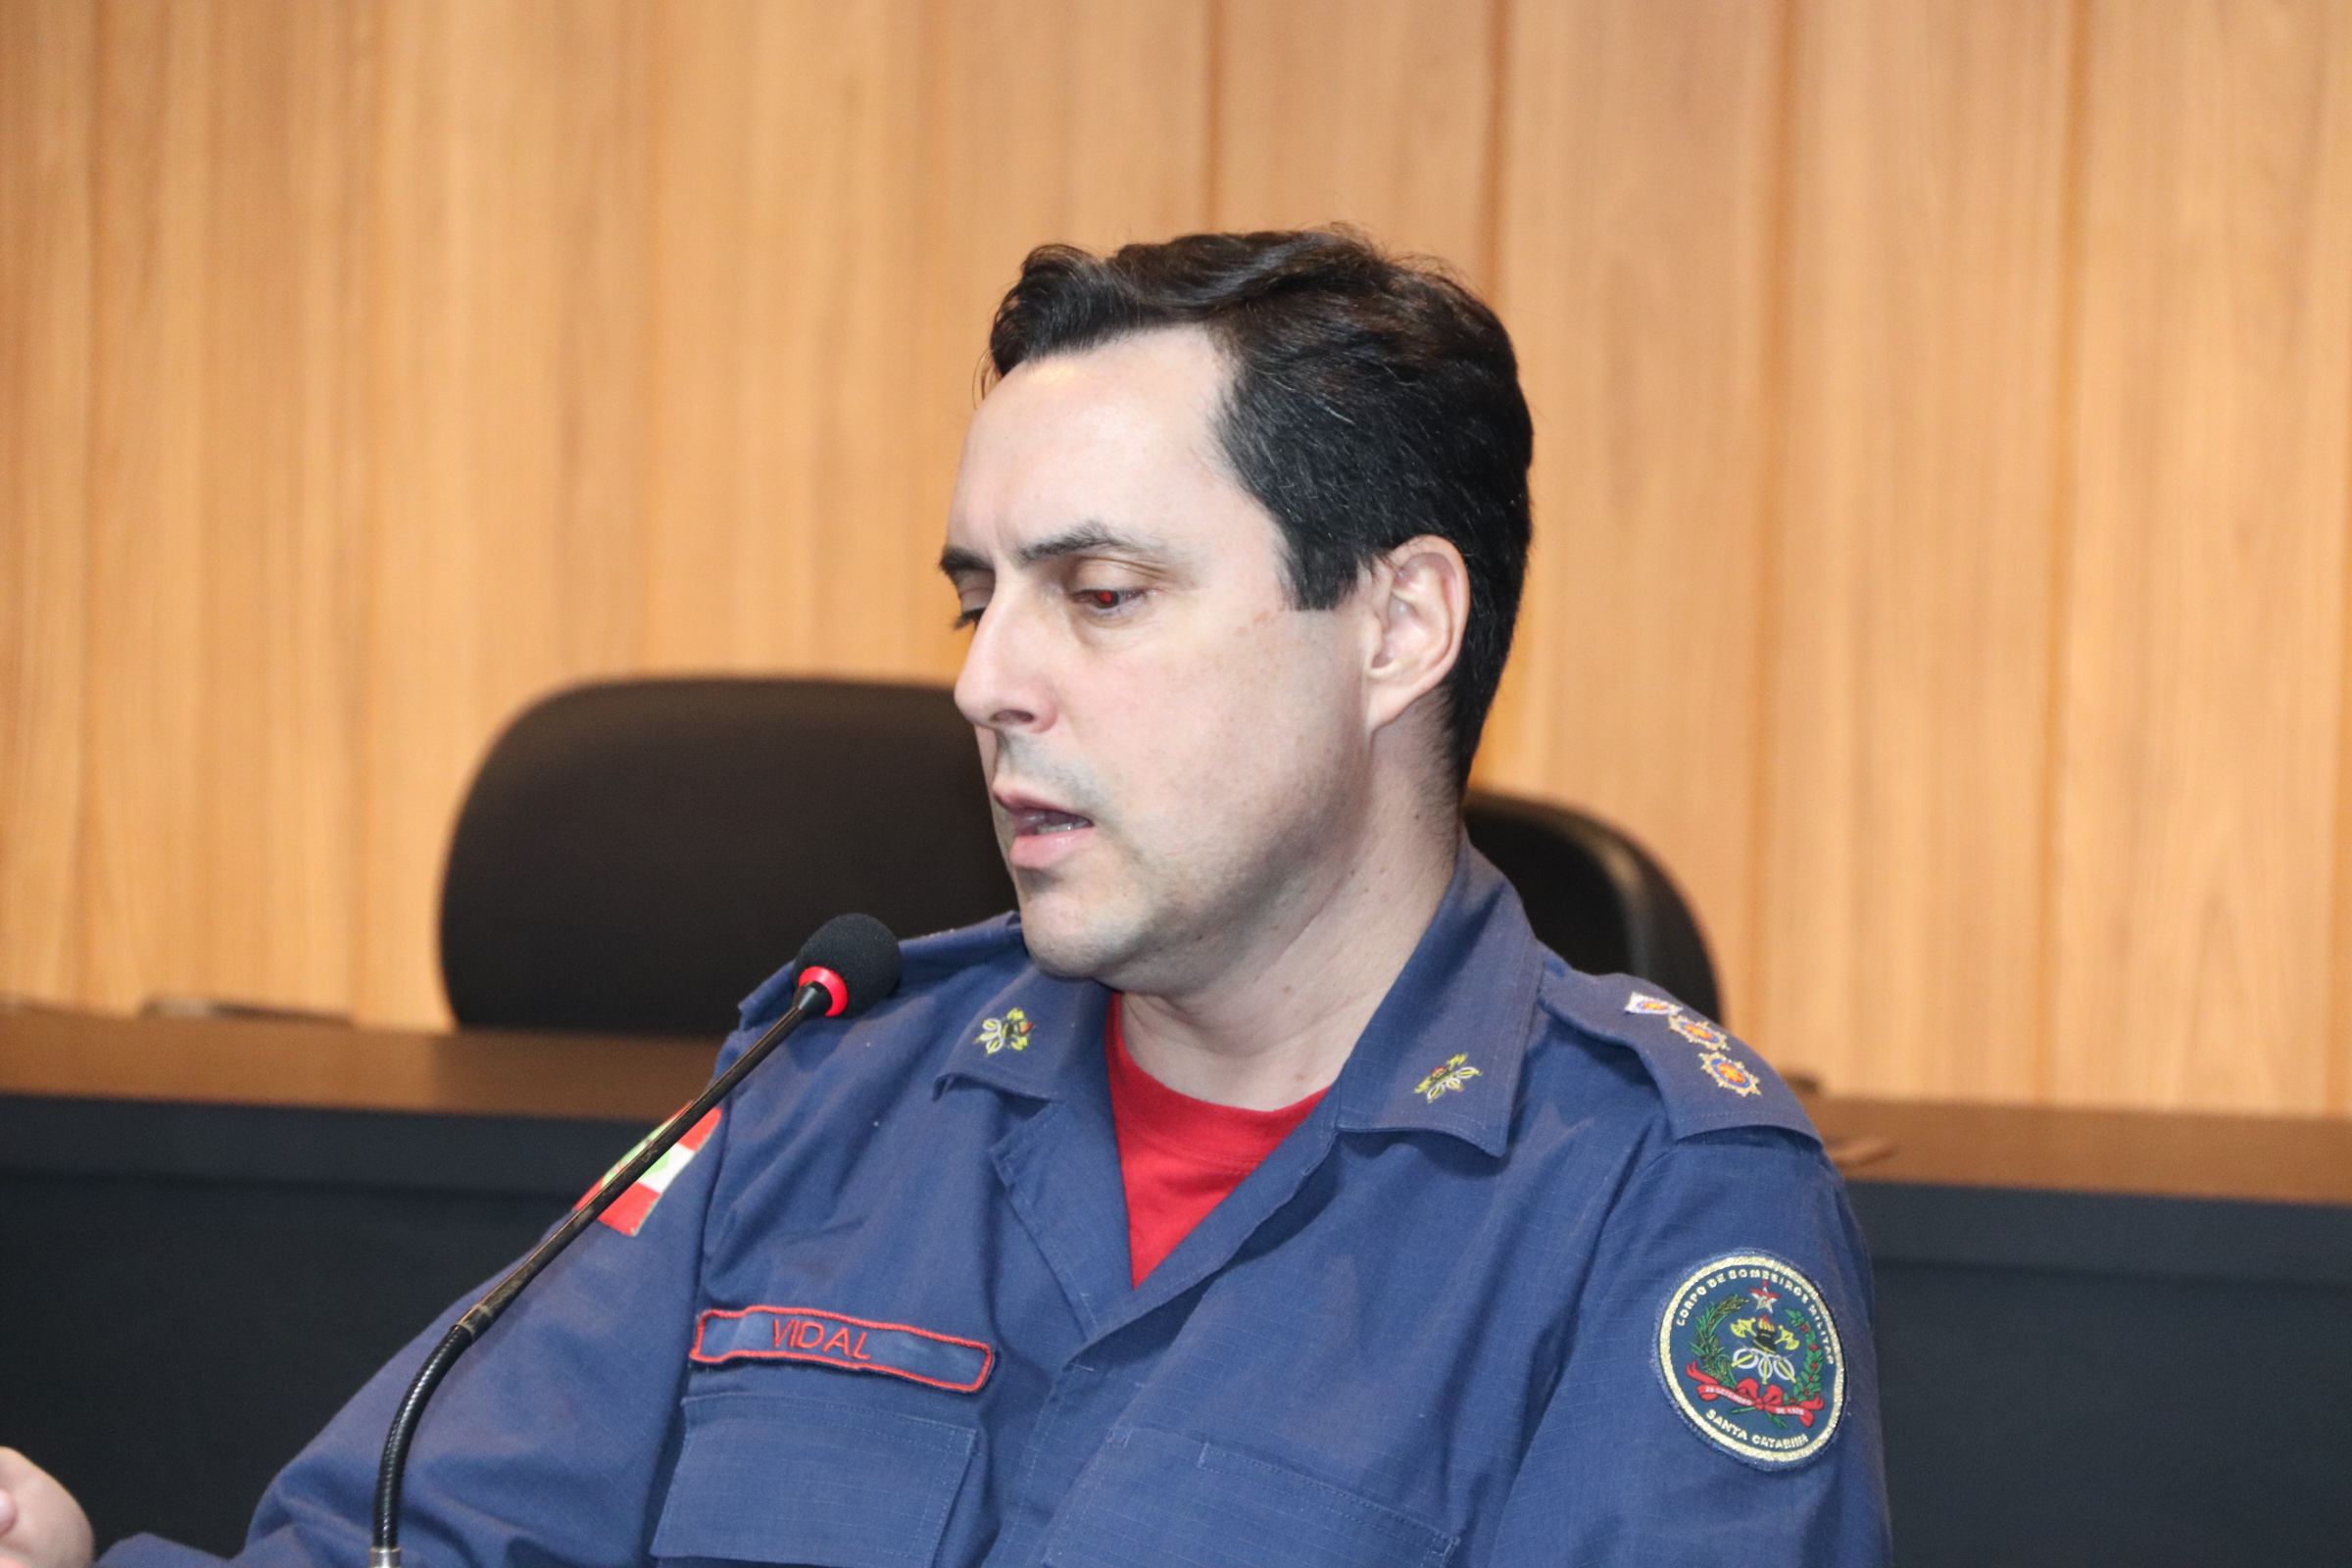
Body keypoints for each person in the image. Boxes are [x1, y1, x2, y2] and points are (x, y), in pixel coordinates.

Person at [0, 229, 1889, 1567]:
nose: (986, 680)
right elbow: (410, 1537)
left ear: (1396, 625)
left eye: (1102, 594)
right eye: (978, 599)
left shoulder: (1651, 1199)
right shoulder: (829, 1090)